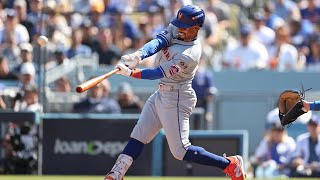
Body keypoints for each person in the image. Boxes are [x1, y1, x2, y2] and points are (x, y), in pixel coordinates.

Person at [105, 5, 245, 180]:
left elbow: (159, 72)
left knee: (181, 150)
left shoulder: (190, 54)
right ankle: (116, 173)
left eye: (184, 27)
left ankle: (230, 165)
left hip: (177, 97)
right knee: (139, 135)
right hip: (162, 93)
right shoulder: (177, 27)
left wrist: (132, 73)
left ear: (196, 28)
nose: (179, 28)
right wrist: (139, 55)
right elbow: (158, 42)